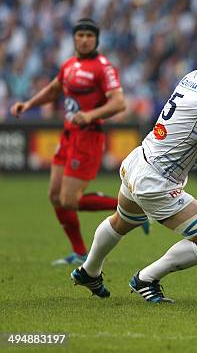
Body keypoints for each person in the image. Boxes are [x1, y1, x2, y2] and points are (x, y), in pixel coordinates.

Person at [69, 36, 197, 303]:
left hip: (139, 160)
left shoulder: (192, 77)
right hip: (157, 179)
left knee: (122, 221)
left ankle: (89, 270)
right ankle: (146, 278)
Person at [9, 18, 143, 266]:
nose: (83, 39)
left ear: (96, 39)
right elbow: (54, 89)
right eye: (79, 35)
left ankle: (134, 208)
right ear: (73, 39)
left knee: (69, 200)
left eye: (88, 36)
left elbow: (119, 102)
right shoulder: (70, 65)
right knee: (55, 195)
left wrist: (91, 114)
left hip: (88, 136)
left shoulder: (103, 67)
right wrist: (28, 104)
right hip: (69, 135)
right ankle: (80, 252)